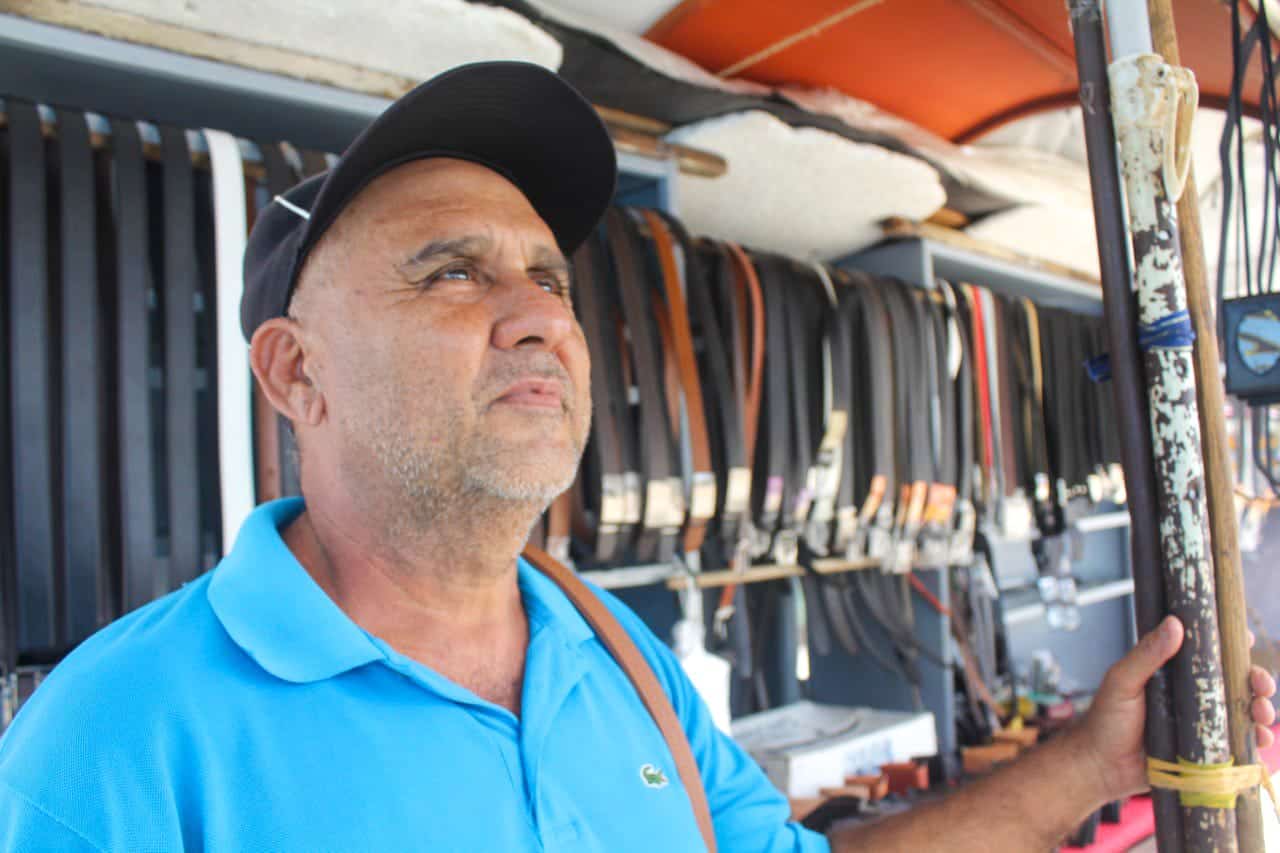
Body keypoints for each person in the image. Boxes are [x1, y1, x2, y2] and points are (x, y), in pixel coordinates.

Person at [0, 61, 1273, 852]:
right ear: (295, 373)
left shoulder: (610, 650)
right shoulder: (113, 737)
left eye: (547, 276)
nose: (541, 312)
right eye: (452, 271)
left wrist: (1090, 764)